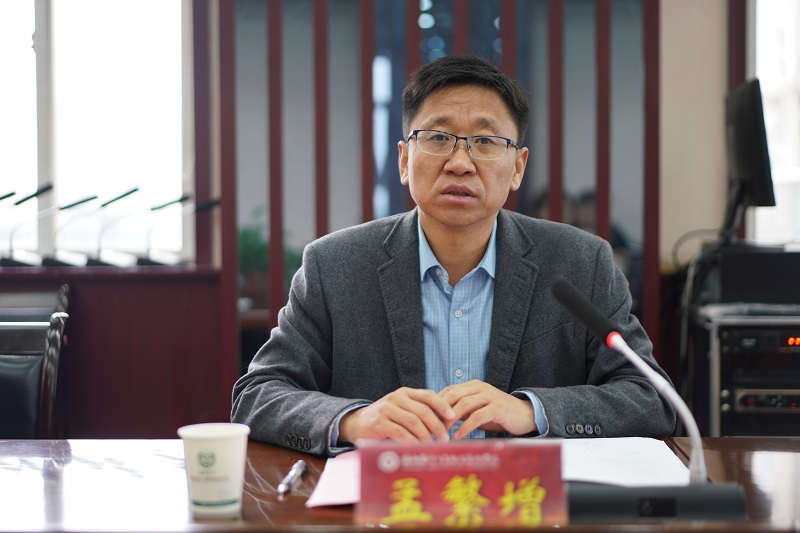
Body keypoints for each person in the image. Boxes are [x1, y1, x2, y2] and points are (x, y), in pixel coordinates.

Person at [231, 55, 676, 456]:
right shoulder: (335, 266)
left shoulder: (580, 263)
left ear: (517, 167)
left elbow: (650, 397)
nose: (460, 163)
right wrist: (353, 420)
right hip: (391, 502)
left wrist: (531, 411)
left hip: (525, 504)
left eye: (485, 141)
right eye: (439, 137)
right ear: (404, 160)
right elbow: (257, 394)